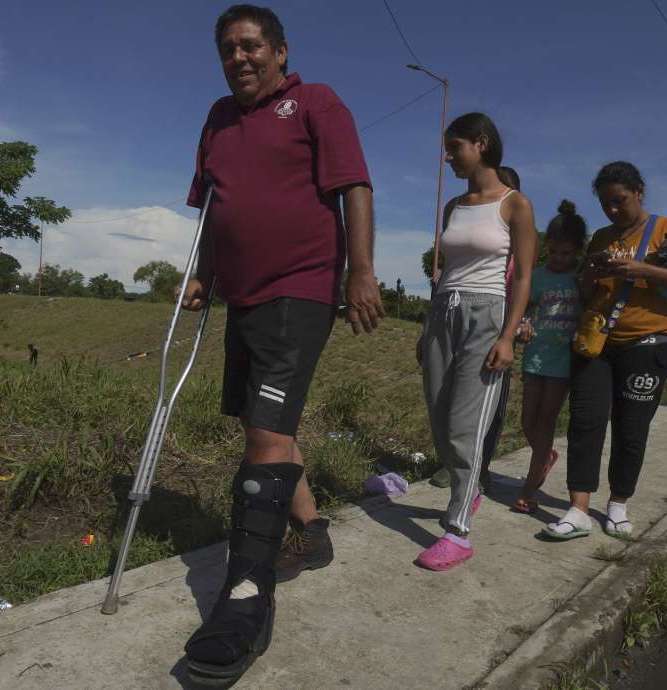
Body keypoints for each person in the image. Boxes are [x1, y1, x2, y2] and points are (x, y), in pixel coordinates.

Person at [179, 5, 384, 684]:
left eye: (251, 46)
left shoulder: (315, 101)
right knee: (258, 424)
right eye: (227, 50)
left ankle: (244, 601)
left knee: (267, 434)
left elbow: (353, 185)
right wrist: (205, 276)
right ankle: (313, 531)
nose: (239, 58)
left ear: (279, 51)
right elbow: (213, 203)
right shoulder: (217, 118)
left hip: (300, 288)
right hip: (245, 293)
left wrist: (360, 270)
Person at [544, 161, 667, 541]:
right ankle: (578, 508)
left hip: (649, 340)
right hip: (598, 340)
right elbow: (588, 293)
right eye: (605, 204)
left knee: (630, 427)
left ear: (639, 192)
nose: (612, 211)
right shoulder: (602, 237)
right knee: (585, 422)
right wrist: (590, 272)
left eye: (620, 201)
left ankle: (618, 502)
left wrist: (641, 269)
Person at [416, 113, 536, 570]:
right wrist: (430, 327)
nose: (449, 157)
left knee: (466, 426)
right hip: (443, 311)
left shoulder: (515, 205)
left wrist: (508, 334)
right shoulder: (454, 206)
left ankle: (458, 531)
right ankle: (469, 492)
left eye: (455, 148)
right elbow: (446, 269)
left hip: (487, 315)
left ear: (481, 143)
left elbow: (523, 275)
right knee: (438, 417)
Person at [433, 164, 523, 493]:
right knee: (447, 402)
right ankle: (456, 464)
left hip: (498, 329)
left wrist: (513, 330)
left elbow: (527, 289)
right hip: (454, 319)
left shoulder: (514, 254)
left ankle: (476, 472)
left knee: (488, 411)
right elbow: (447, 275)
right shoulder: (472, 242)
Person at [513, 200, 586, 514]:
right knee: (527, 420)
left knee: (546, 421)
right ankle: (545, 457)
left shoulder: (582, 278)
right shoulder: (537, 276)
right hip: (535, 356)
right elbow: (524, 308)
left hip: (563, 361)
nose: (559, 259)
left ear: (577, 251)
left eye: (566, 254)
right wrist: (523, 323)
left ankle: (530, 488)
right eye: (554, 252)